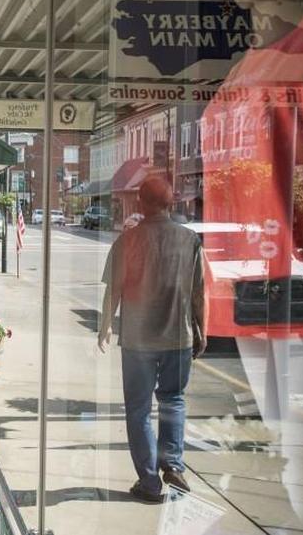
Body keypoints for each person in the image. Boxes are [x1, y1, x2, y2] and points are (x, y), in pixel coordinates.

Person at [99, 176, 206, 503]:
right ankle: (172, 465)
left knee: (139, 409)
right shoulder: (189, 240)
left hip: (138, 340)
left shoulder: (127, 241)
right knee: (173, 399)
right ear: (170, 203)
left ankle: (149, 482)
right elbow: (199, 292)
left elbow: (113, 290)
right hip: (178, 336)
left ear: (140, 203)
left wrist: (105, 327)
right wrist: (201, 329)